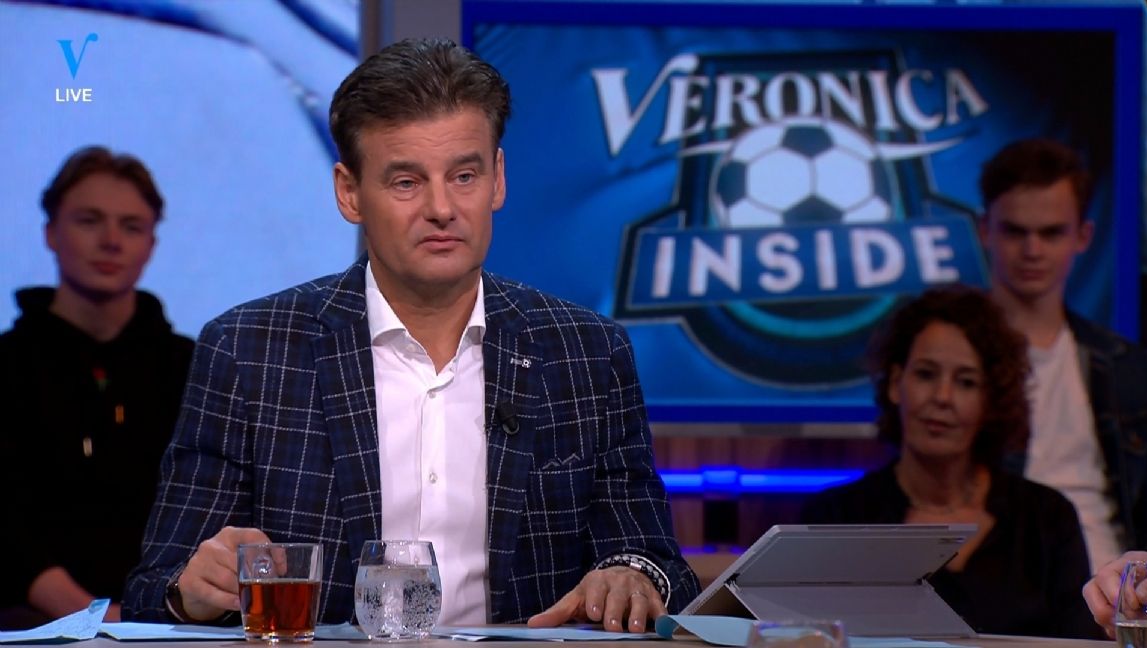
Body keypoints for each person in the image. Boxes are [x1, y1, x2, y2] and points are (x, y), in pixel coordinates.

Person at [121, 37, 700, 631]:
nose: (442, 208)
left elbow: (660, 564)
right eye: (406, 182)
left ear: (498, 179)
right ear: (349, 192)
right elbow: (152, 588)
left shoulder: (586, 353)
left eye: (465, 175)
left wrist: (633, 573)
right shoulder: (249, 351)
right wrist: (192, 590)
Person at [800, 285, 1101, 639]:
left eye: (966, 382)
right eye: (926, 374)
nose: (942, 397)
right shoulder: (834, 518)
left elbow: (1081, 642)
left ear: (990, 400)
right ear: (896, 383)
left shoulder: (1046, 518)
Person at [0, 146, 194, 629]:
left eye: (131, 226)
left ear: (151, 244)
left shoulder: (193, 366)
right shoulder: (7, 365)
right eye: (89, 221)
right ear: (51, 232)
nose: (110, 241)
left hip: (171, 623)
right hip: (26, 623)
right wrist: (96, 617)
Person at [979, 138, 1147, 574]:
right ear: (985, 230)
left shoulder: (1125, 367)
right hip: (996, 588)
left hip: (1110, 590)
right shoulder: (954, 367)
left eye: (1051, 232)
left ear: (1083, 236)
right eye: (1015, 231)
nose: (1032, 251)